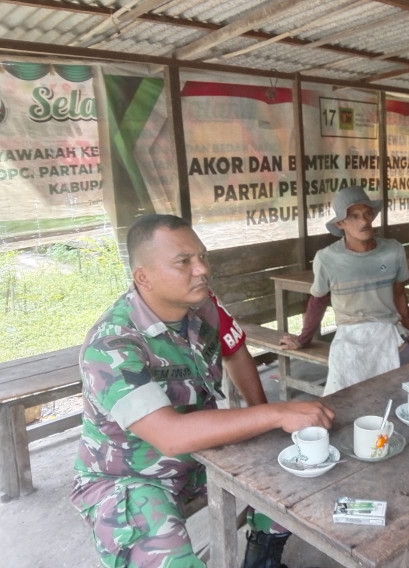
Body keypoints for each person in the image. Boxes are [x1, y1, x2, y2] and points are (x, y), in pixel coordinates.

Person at [71, 214, 335, 568]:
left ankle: (262, 558)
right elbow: (170, 436)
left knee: (298, 462)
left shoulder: (203, 304)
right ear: (143, 277)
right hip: (130, 476)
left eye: (202, 256)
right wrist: (276, 413)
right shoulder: (113, 344)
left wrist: (269, 420)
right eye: (184, 261)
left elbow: (235, 349)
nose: (202, 269)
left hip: (203, 453)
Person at [280, 186, 409, 395]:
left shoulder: (393, 250)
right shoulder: (326, 259)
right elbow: (318, 300)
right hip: (350, 335)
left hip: (388, 330)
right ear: (341, 223)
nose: (363, 222)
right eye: (354, 216)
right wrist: (302, 340)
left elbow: (399, 294)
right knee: (344, 393)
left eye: (367, 214)